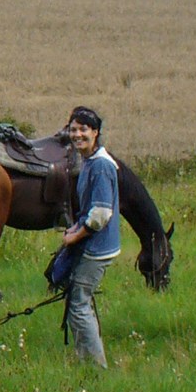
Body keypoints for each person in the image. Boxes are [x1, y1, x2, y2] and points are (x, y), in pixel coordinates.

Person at [58, 107, 120, 369]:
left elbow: (101, 213)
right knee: (78, 301)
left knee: (79, 305)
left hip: (97, 247)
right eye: (73, 129)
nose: (77, 134)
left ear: (96, 133)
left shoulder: (101, 167)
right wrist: (75, 228)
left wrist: (77, 236)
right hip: (95, 243)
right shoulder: (91, 161)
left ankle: (96, 367)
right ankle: (85, 359)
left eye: (84, 129)